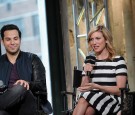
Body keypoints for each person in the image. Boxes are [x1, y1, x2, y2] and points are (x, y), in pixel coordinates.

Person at [73, 25, 127, 115]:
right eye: (91, 39)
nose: (94, 42)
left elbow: (120, 90)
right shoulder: (89, 59)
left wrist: (97, 87)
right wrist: (86, 73)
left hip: (112, 100)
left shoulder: (118, 60)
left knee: (84, 98)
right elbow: (83, 88)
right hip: (92, 99)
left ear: (106, 40)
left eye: (98, 38)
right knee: (88, 111)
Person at [0, 24, 52, 115]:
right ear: (2, 41)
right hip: (7, 108)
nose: (12, 42)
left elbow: (41, 86)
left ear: (20, 40)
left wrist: (28, 84)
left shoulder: (32, 59)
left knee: (21, 86)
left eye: (15, 39)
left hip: (28, 105)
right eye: (8, 39)